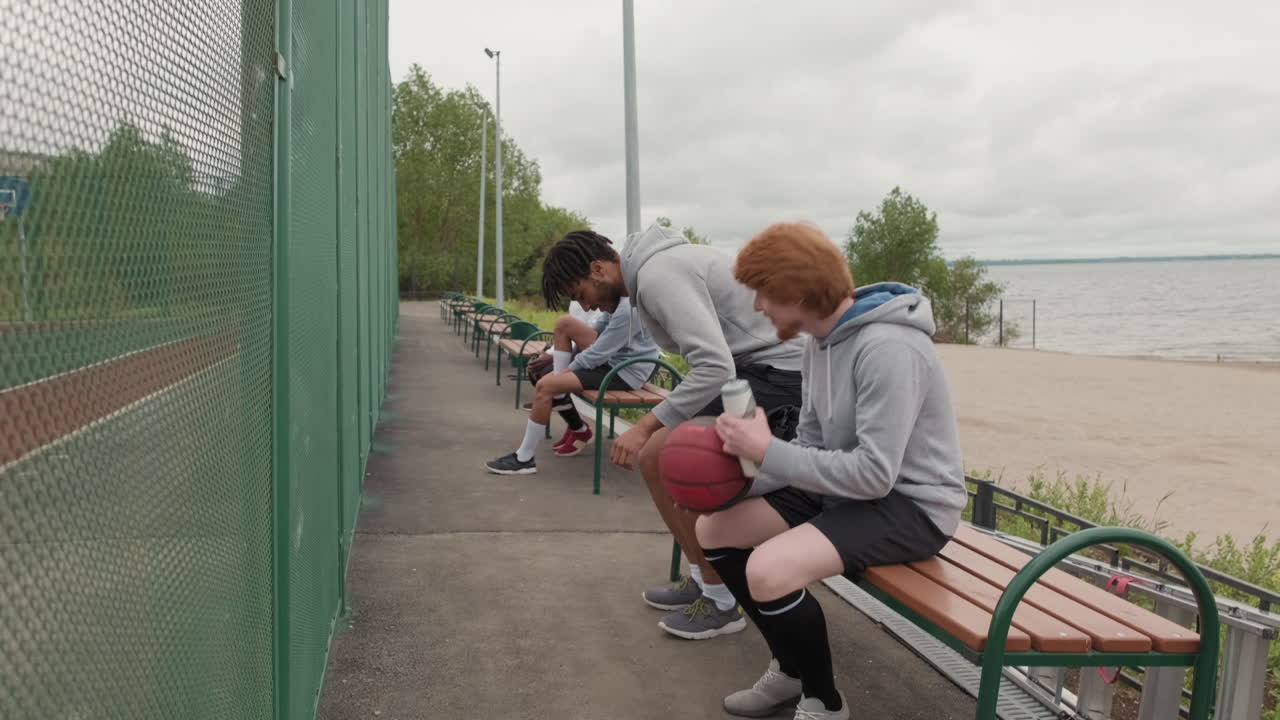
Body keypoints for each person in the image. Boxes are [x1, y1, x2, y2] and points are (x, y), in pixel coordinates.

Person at [695, 221, 967, 719]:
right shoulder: (820, 341)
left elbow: (875, 475)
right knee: (715, 528)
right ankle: (790, 670)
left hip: (912, 506)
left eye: (763, 293)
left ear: (797, 291)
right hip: (849, 489)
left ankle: (823, 702)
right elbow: (812, 446)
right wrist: (743, 478)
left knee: (768, 569)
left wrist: (768, 450)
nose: (758, 306)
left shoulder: (889, 348)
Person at [539, 227, 805, 640]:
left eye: (580, 291)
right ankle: (707, 580)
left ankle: (722, 601)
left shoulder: (659, 275)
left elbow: (715, 367)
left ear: (597, 269)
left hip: (780, 373)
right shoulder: (650, 275)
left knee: (672, 459)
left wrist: (645, 426)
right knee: (656, 459)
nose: (585, 304)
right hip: (752, 369)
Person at [485, 293, 658, 474]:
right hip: (613, 363)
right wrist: (560, 373)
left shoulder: (626, 308)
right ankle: (559, 396)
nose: (587, 306)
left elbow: (599, 353)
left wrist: (561, 376)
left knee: (546, 386)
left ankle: (524, 458)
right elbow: (597, 334)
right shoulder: (618, 299)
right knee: (564, 323)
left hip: (624, 372)